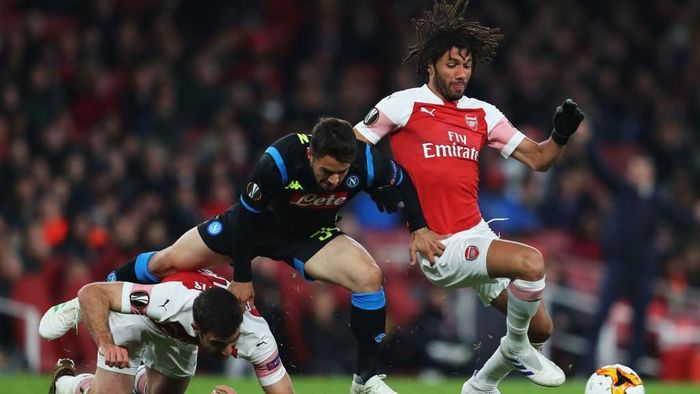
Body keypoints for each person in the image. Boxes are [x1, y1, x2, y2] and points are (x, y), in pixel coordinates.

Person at [105, 117, 445, 393]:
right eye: (327, 172)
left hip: (310, 236)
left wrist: (418, 226)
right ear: (311, 155)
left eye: (341, 173)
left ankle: (365, 380)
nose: (334, 180)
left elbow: (401, 178)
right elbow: (245, 214)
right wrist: (242, 276)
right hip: (253, 227)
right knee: (168, 260)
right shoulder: (279, 159)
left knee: (369, 277)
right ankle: (104, 289)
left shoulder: (364, 160)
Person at [352, 1, 585, 393]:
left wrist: (560, 135)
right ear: (430, 65)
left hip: (476, 235)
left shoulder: (483, 114)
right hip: (439, 245)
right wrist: (392, 196)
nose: (461, 74)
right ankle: (516, 348)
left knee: (541, 326)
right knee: (532, 263)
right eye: (451, 65)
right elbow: (353, 147)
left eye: (466, 66)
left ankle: (480, 385)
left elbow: (540, 158)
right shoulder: (401, 104)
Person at [40, 269, 294, 394]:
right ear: (197, 328)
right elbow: (92, 292)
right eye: (219, 344)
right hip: (140, 320)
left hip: (180, 340)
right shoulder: (169, 300)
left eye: (233, 341)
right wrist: (106, 344)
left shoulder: (257, 336)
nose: (228, 352)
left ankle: (139, 379)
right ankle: (66, 384)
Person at [583, 133, 698, 373]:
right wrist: (589, 141)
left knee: (639, 324)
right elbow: (600, 170)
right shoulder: (623, 190)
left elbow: (682, 220)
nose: (633, 171)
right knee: (601, 314)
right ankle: (586, 367)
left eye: (638, 167)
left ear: (649, 171)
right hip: (618, 264)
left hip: (642, 268)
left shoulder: (658, 199)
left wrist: (694, 216)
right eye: (632, 167)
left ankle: (633, 371)